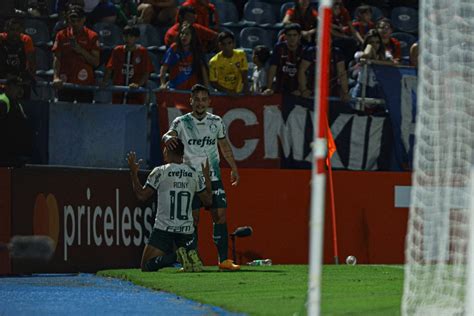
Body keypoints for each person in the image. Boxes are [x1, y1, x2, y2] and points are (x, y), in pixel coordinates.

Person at [162, 84, 241, 271]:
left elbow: (225, 146)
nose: (200, 103)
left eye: (204, 99)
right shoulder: (181, 122)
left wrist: (234, 168)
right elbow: (168, 134)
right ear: (190, 101)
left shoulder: (216, 122)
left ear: (209, 102)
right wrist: (167, 139)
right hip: (190, 179)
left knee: (219, 215)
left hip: (213, 176)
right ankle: (192, 260)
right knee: (193, 219)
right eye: (196, 99)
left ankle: (223, 260)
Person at [127, 138, 212, 272]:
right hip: (186, 232)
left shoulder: (161, 171)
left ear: (169, 152)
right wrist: (206, 176)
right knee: (193, 266)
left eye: (165, 149)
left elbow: (142, 195)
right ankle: (188, 253)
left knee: (146, 266)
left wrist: (133, 173)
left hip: (164, 229)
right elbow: (208, 201)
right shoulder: (193, 174)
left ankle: (176, 256)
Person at [52, 6, 100, 103]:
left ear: (84, 19)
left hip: (85, 84)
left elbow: (96, 62)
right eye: (72, 20)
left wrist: (80, 50)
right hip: (65, 83)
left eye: (78, 20)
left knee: (85, 114)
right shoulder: (61, 35)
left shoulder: (92, 36)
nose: (75, 23)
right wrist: (56, 77)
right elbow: (57, 57)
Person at [101, 25, 153, 104]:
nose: (128, 38)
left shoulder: (142, 52)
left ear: (137, 38)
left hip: (135, 94)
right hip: (118, 92)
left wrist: (138, 84)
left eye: (131, 36)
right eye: (125, 36)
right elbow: (109, 68)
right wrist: (105, 82)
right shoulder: (117, 50)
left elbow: (146, 72)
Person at [160, 23, 209, 90]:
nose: (184, 36)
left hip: (192, 90)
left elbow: (203, 69)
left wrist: (206, 87)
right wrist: (162, 83)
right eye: (182, 33)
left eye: (187, 34)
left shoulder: (197, 50)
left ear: (192, 36)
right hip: (174, 88)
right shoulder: (174, 48)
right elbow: (164, 67)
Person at [263, 23, 304, 96]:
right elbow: (273, 68)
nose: (292, 38)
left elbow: (303, 71)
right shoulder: (279, 48)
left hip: (296, 91)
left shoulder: (303, 50)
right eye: (289, 35)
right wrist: (268, 88)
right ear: (285, 37)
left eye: (295, 35)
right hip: (280, 88)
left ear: (299, 36)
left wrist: (301, 90)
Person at [0, 77, 32, 167]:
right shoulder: (3, 102)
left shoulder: (17, 103)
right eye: (17, 87)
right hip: (3, 154)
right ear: (8, 87)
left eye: (21, 87)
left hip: (12, 153)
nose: (20, 90)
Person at [0, 18, 36, 98]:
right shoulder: (1, 39)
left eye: (17, 30)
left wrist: (27, 78)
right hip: (2, 77)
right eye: (12, 29)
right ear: (6, 30)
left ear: (21, 30)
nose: (15, 33)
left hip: (20, 78)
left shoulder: (26, 40)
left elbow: (32, 63)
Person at [208, 31, 248, 95]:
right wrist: (228, 92)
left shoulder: (241, 55)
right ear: (220, 45)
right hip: (222, 95)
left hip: (239, 93)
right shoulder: (213, 62)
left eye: (229, 43)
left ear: (234, 44)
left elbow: (244, 73)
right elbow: (213, 82)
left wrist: (245, 89)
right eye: (224, 44)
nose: (227, 46)